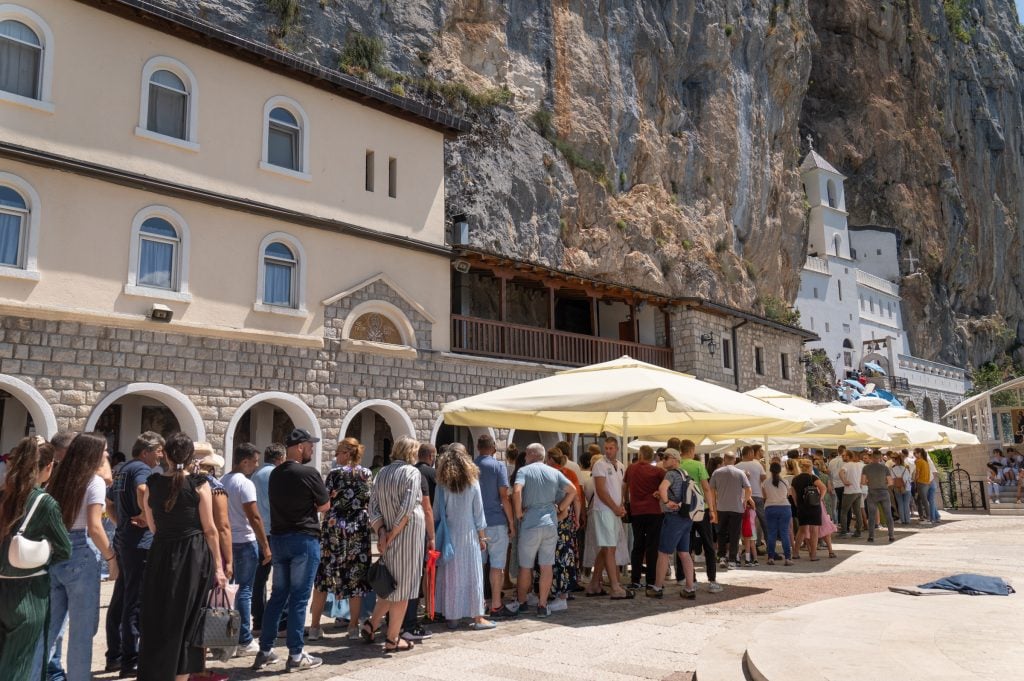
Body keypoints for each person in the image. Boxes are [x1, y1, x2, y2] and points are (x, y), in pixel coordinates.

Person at [138, 433, 225, 681]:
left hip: (162, 552)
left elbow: (153, 526)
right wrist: (219, 567)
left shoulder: (152, 483)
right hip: (193, 555)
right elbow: (210, 529)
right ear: (191, 458)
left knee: (159, 615)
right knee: (189, 619)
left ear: (164, 454)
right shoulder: (200, 484)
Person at [40, 433, 117, 681]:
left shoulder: (58, 479)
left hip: (56, 551)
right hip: (82, 551)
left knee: (51, 629)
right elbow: (95, 527)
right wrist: (111, 558)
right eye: (104, 451)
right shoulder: (93, 482)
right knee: (82, 633)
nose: (107, 455)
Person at [253, 429, 328, 672]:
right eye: (310, 445)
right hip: (303, 539)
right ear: (299, 447)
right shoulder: (308, 472)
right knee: (298, 599)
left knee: (277, 596)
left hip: (279, 537)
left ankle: (265, 649)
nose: (312, 449)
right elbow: (324, 504)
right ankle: (296, 654)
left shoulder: (275, 474)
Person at [0, 438, 70, 681]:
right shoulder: (44, 502)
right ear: (48, 466)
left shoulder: (3, 495)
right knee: (19, 665)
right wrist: (43, 548)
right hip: (29, 591)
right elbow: (64, 548)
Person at [106, 431, 164, 677]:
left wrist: (121, 522)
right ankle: (131, 660)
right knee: (135, 601)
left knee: (121, 597)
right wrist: (146, 516)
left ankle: (115, 656)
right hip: (140, 543)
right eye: (158, 451)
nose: (161, 456)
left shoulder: (121, 470)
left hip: (124, 540)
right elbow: (143, 490)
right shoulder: (142, 469)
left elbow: (109, 504)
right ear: (146, 451)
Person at [362, 436, 426, 652]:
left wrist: (381, 532)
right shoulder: (412, 472)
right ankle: (392, 639)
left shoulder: (382, 473)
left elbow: (373, 507)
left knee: (389, 585)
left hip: (387, 533)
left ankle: (372, 624)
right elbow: (407, 508)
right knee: (403, 589)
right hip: (407, 534)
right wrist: (391, 533)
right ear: (411, 452)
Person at [308, 438, 372, 641]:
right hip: (358, 527)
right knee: (356, 578)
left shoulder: (335, 475)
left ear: (346, 453)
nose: (336, 457)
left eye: (338, 453)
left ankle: (315, 627)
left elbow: (324, 500)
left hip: (335, 528)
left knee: (324, 577)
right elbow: (369, 501)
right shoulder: (367, 474)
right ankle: (353, 627)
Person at [503, 443, 578, 616]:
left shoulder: (524, 471)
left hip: (530, 524)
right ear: (543, 456)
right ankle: (543, 605)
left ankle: (522, 602)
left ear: (529, 455)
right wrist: (560, 508)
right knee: (546, 566)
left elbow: (516, 490)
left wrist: (519, 512)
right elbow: (572, 490)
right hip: (550, 523)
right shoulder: (554, 472)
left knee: (525, 566)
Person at [434, 443, 494, 630]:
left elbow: (437, 513)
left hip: (449, 535)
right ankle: (477, 617)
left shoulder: (442, 485)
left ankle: (451, 616)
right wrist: (482, 537)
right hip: (468, 534)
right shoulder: (473, 482)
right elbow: (479, 513)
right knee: (472, 575)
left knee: (451, 575)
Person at [220, 442, 272, 655]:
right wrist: (265, 545)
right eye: (254, 462)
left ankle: (230, 636)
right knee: (245, 591)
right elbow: (255, 516)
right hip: (245, 540)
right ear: (244, 461)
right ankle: (244, 639)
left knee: (230, 591)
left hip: (229, 540)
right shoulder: (244, 483)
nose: (256, 467)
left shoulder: (223, 481)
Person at [474, 434, 515, 619]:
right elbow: (504, 497)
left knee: (478, 565)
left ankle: (478, 603)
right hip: (496, 521)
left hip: (476, 524)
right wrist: (511, 522)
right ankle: (496, 605)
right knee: (497, 566)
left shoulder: (471, 467)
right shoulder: (498, 466)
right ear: (493, 448)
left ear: (477, 447)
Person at [647, 449, 695, 599]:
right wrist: (663, 497)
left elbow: (663, 488)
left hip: (673, 518)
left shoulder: (670, 474)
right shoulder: (685, 473)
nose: (664, 460)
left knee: (663, 553)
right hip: (687, 517)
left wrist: (666, 501)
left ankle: (657, 587)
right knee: (684, 553)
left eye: (666, 458)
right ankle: (689, 587)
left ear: (675, 459)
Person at [400, 443, 436, 643]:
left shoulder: (390, 474)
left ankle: (392, 619)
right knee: (415, 576)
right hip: (416, 530)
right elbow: (428, 507)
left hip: (392, 532)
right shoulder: (422, 475)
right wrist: (432, 536)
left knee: (397, 577)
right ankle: (410, 622)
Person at [587, 437, 630, 597]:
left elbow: (621, 488)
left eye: (611, 448)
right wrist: (615, 507)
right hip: (604, 510)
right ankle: (615, 586)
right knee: (609, 548)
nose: (608, 450)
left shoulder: (620, 466)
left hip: (614, 510)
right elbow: (601, 490)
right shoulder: (600, 465)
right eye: (606, 448)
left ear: (617, 449)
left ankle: (593, 584)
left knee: (607, 548)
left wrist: (622, 505)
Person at [250, 443, 285, 633]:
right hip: (276, 531)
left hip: (259, 532)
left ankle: (258, 620)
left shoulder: (255, 475)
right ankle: (279, 621)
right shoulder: (277, 474)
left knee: (259, 579)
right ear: (280, 458)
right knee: (281, 579)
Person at [677, 440, 721, 592]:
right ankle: (712, 580)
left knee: (685, 546)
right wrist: (712, 510)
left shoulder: (677, 466)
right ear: (692, 450)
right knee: (708, 545)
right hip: (701, 509)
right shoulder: (698, 465)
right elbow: (706, 488)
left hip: (684, 511)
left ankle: (689, 578)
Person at [545, 448, 582, 611]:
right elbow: (577, 499)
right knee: (566, 556)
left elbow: (573, 496)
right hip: (566, 521)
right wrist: (577, 518)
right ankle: (562, 593)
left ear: (551, 460)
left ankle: (558, 594)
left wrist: (561, 509)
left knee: (556, 557)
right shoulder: (569, 473)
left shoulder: (552, 475)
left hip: (558, 519)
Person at [624, 445, 664, 589]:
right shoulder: (658, 471)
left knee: (638, 545)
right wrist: (660, 493)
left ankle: (635, 579)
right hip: (654, 511)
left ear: (640, 455)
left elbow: (625, 487)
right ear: (652, 457)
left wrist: (626, 501)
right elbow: (667, 485)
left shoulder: (631, 469)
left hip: (636, 511)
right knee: (652, 547)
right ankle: (651, 580)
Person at [709, 452, 752, 569]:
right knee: (734, 534)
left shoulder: (716, 472)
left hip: (721, 507)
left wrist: (713, 504)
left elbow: (711, 490)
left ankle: (722, 557)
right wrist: (745, 500)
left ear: (724, 459)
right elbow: (749, 489)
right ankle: (732, 560)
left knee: (721, 533)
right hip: (737, 508)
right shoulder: (740, 473)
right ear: (735, 460)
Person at [790, 459, 826, 561]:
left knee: (802, 530)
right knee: (814, 531)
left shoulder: (795, 479)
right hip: (814, 506)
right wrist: (820, 499)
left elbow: (793, 494)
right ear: (809, 467)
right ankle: (813, 555)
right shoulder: (812, 477)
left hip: (802, 507)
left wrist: (797, 504)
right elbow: (823, 488)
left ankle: (796, 553)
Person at [736, 446, 767, 551]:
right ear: (749, 453)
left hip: (743, 497)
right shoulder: (757, 464)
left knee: (742, 522)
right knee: (763, 522)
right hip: (757, 495)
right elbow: (763, 478)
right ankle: (769, 547)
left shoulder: (736, 466)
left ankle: (745, 547)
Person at [861, 451, 895, 543]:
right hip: (884, 493)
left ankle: (871, 536)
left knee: (871, 516)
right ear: (880, 458)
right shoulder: (885, 468)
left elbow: (863, 482)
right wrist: (883, 485)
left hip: (872, 493)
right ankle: (891, 535)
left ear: (871, 457)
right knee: (888, 515)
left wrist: (870, 482)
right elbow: (891, 482)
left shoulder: (866, 468)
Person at [763, 462, 792, 566]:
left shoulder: (765, 482)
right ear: (780, 470)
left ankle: (770, 558)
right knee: (784, 533)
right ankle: (788, 558)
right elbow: (789, 494)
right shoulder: (785, 481)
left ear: (770, 470)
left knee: (771, 534)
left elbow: (764, 496)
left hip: (770, 508)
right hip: (784, 507)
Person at [839, 451, 865, 538]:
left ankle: (843, 532)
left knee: (844, 512)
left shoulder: (847, 465)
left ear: (848, 456)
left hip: (849, 491)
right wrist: (861, 483)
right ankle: (858, 531)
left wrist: (844, 481)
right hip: (858, 491)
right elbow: (864, 476)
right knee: (857, 512)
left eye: (844, 456)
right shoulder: (860, 465)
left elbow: (841, 473)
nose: (842, 457)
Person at [890, 453, 914, 524]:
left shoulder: (892, 469)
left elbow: (892, 480)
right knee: (906, 504)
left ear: (895, 461)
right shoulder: (905, 469)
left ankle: (902, 520)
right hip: (907, 488)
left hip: (897, 488)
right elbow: (909, 479)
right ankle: (908, 520)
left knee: (900, 504)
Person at [913, 448, 933, 525]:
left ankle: (928, 518)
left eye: (915, 453)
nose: (914, 455)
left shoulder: (919, 461)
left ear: (919, 453)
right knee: (919, 500)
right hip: (926, 483)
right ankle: (922, 517)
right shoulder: (925, 461)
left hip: (921, 482)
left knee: (924, 500)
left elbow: (917, 473)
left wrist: (915, 481)